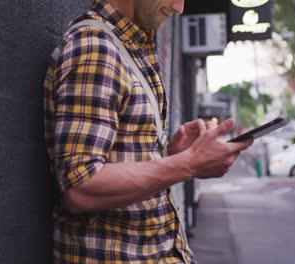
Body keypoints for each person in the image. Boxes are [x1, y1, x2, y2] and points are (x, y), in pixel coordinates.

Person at [44, 0, 253, 262]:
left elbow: (118, 162)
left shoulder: (129, 45)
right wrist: (187, 164)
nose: (179, 7)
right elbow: (81, 186)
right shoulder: (96, 46)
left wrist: (170, 155)